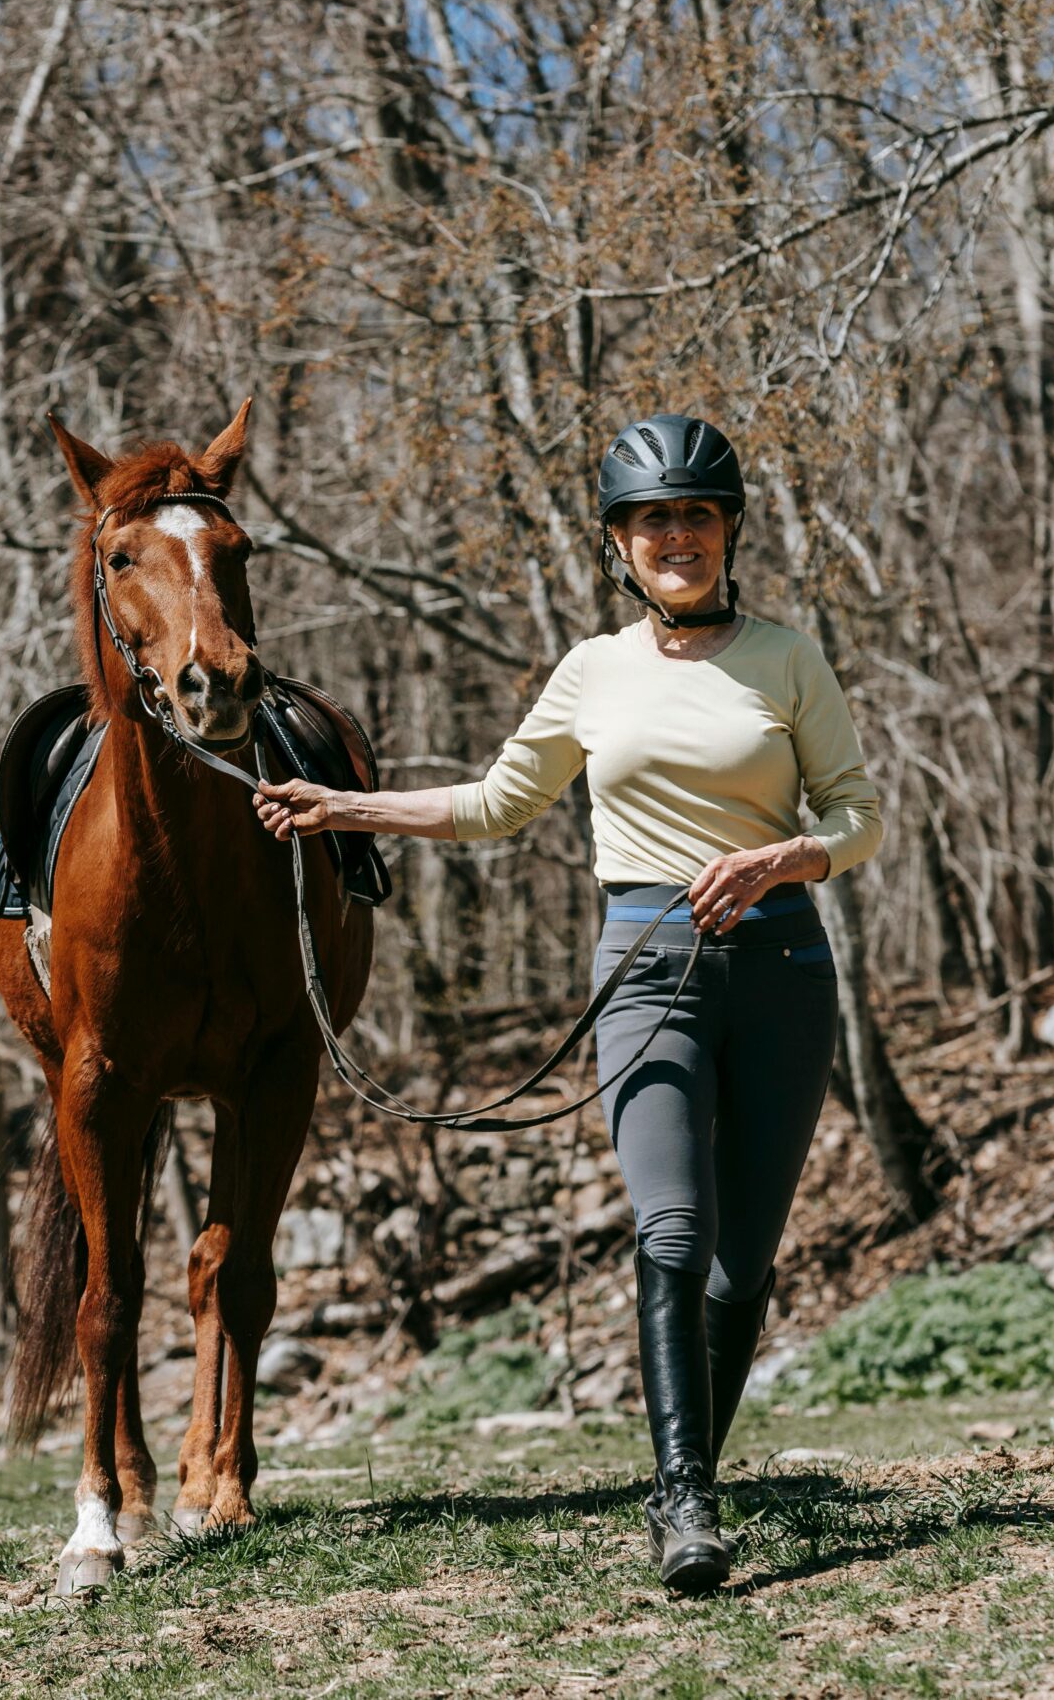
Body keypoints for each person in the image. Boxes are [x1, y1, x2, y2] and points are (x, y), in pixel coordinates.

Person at [253, 414, 885, 1594]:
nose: (677, 536)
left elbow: (861, 817)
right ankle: (683, 1498)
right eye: (653, 520)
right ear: (620, 543)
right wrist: (344, 811)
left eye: (696, 514)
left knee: (741, 1268)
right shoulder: (593, 670)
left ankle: (695, 1461)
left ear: (730, 528)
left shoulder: (789, 658)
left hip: (786, 971)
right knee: (671, 1231)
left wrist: (781, 858)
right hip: (646, 966)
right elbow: (495, 803)